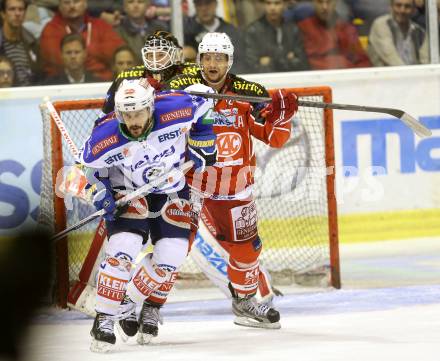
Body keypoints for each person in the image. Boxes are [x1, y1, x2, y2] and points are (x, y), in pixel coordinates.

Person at [165, 32, 298, 329]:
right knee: (170, 245)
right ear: (199, 60)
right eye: (207, 57)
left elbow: (275, 138)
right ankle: (139, 305)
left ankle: (245, 303)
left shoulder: (246, 98)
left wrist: (282, 115)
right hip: (190, 185)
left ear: (229, 61)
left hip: (233, 189)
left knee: (248, 249)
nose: (213, 63)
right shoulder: (182, 92)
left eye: (220, 58)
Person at [79, 78, 217, 352]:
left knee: (173, 255)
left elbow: (206, 104)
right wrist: (100, 191)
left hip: (172, 188)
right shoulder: (105, 136)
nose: (133, 120)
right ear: (118, 113)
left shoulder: (175, 108)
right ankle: (104, 319)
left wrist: (203, 137)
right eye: (126, 114)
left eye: (138, 113)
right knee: (123, 249)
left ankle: (126, 302)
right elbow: (86, 171)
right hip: (129, 190)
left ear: (151, 108)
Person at [101, 30, 188, 115]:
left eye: (161, 54)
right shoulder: (127, 76)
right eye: (150, 55)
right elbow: (107, 114)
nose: (155, 60)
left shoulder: (190, 73)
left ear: (173, 55)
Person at [39, 0, 124, 80]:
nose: (72, 6)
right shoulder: (50, 29)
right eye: (67, 2)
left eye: (76, 1)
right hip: (62, 84)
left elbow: (119, 53)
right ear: (60, 6)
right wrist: (96, 55)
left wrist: (83, 55)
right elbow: (61, 62)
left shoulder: (101, 25)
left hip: (102, 81)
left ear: (85, 3)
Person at [296, 0, 371, 69]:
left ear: (335, 3)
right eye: (320, 2)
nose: (324, 7)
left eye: (328, 2)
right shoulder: (304, 27)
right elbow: (303, 63)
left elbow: (363, 62)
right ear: (313, 3)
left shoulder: (346, 28)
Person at [244, 0, 309, 73]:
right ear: (263, 5)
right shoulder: (253, 31)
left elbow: (303, 64)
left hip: (291, 79)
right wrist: (288, 59)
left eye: (277, 3)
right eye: (268, 3)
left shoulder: (293, 29)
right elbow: (251, 67)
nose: (272, 8)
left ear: (284, 5)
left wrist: (269, 61)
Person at [183, 0, 246, 73]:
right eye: (199, 5)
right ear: (194, 6)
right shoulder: (186, 31)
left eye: (208, 3)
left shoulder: (231, 31)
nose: (204, 9)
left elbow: (240, 62)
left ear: (215, 4)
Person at [368, 0, 429, 67]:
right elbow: (390, 57)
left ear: (413, 10)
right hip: (386, 75)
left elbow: (425, 60)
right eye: (398, 5)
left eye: (407, 7)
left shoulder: (419, 32)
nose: (402, 10)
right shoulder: (381, 25)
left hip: (414, 74)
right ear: (391, 6)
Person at [0, 0, 40, 86]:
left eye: (21, 9)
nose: (17, 13)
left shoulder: (32, 42)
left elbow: (39, 76)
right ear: (3, 14)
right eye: (12, 9)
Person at [116, 0, 168, 65]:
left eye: (140, 2)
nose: (136, 6)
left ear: (147, 6)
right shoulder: (118, 32)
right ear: (125, 7)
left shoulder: (160, 29)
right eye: (130, 2)